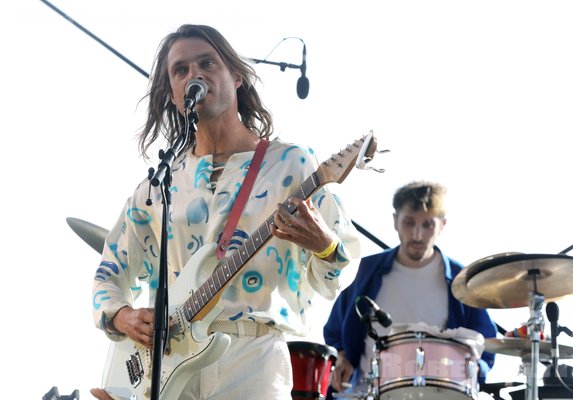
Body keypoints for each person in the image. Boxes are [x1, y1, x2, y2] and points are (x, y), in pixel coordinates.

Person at [91, 24, 360, 400]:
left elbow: (334, 272)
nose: (194, 75)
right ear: (172, 94)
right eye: (180, 70)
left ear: (236, 76)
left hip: (252, 355)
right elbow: (109, 274)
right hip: (168, 362)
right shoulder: (159, 185)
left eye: (207, 63)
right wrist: (122, 316)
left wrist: (324, 245)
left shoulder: (290, 165)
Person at [323, 180, 497, 399]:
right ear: (395, 221)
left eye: (427, 225)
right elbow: (334, 331)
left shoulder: (462, 281)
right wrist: (342, 357)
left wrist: (471, 373)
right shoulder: (363, 271)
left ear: (443, 225)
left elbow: (487, 345)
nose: (417, 235)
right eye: (409, 222)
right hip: (365, 394)